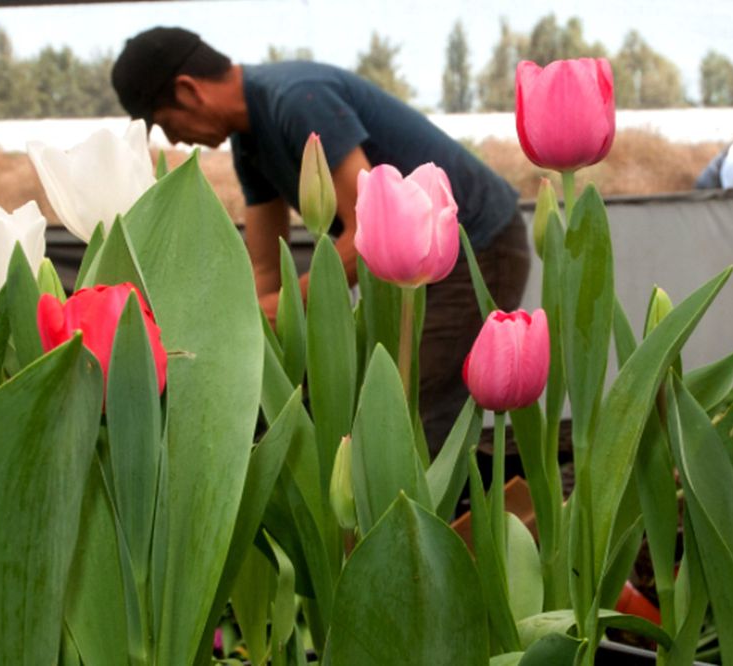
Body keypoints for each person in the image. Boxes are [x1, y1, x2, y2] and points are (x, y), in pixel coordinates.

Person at [111, 26, 530, 452]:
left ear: (188, 91)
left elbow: (362, 233)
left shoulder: (297, 98)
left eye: (165, 124)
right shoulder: (247, 140)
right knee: (375, 404)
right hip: (406, 263)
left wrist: (277, 310)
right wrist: (246, 331)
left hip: (475, 245)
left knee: (412, 406)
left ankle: (434, 514)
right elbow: (264, 268)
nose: (175, 140)